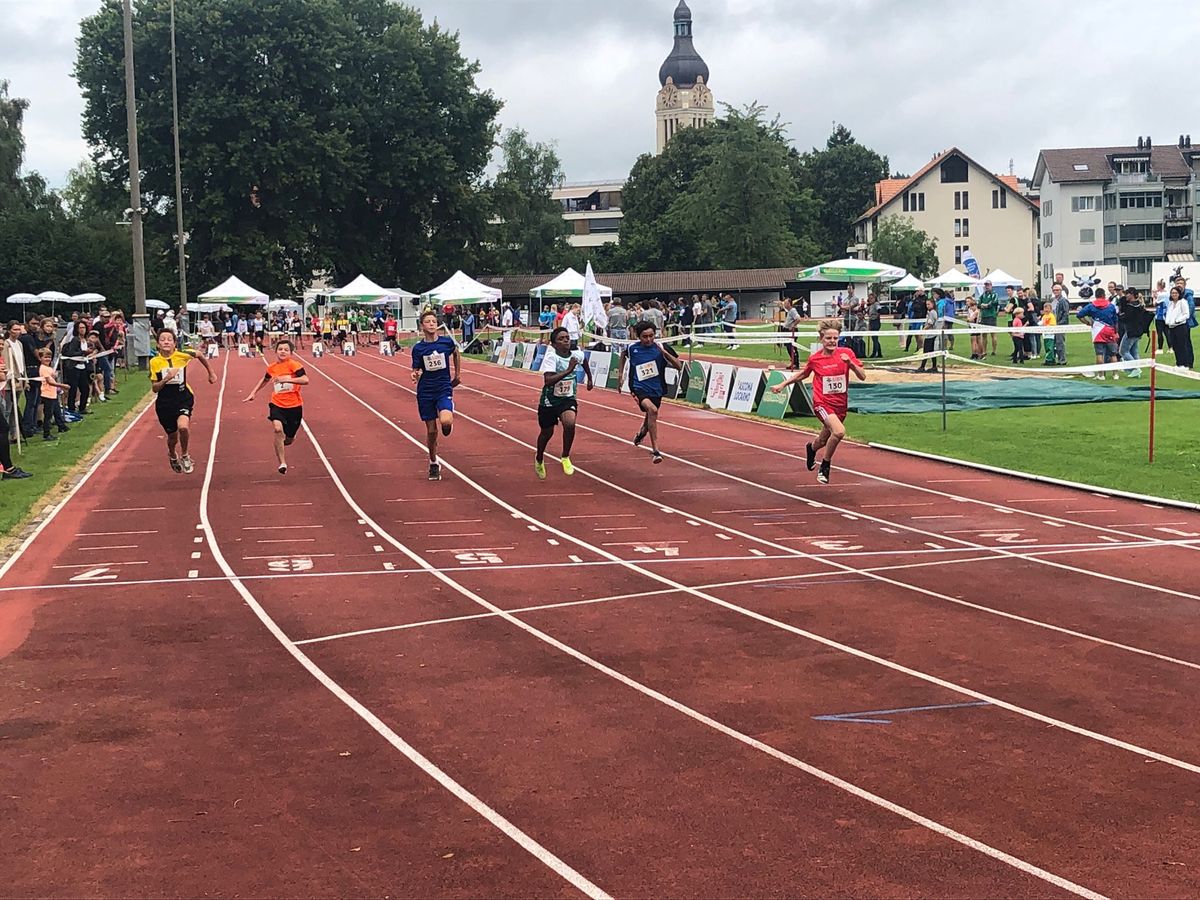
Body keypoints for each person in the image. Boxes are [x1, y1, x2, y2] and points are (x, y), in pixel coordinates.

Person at [770, 319, 866, 484]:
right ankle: (825, 466)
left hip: (840, 405)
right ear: (821, 338)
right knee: (839, 432)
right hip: (822, 403)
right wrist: (783, 384)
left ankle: (811, 449)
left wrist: (850, 364)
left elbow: (862, 376)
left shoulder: (847, 353)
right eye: (828, 338)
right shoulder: (815, 359)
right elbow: (803, 375)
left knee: (822, 440)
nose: (832, 342)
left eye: (835, 338)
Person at [149, 328, 217, 474]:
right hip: (165, 403)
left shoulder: (183, 355)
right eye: (162, 339)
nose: (166, 342)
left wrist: (211, 373)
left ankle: (185, 455)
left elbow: (199, 355)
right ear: (158, 344)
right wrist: (166, 379)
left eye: (169, 339)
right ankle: (172, 453)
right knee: (172, 437)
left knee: (183, 427)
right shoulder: (155, 362)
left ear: (175, 343)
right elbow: (154, 388)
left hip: (183, 398)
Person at [617, 320, 683, 464]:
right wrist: (620, 375)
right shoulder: (631, 348)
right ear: (638, 336)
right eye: (644, 337)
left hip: (657, 388)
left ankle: (642, 432)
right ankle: (656, 450)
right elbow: (622, 355)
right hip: (638, 387)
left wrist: (665, 354)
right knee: (652, 410)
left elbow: (679, 366)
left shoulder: (661, 346)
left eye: (651, 336)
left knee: (651, 415)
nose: (648, 340)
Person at [534, 326, 593, 479]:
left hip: (567, 398)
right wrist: (568, 370)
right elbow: (547, 381)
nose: (566, 340)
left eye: (567, 337)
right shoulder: (551, 357)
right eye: (561, 338)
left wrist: (590, 378)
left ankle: (565, 456)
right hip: (549, 401)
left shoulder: (576, 354)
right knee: (547, 433)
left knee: (570, 423)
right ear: (554, 344)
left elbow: (584, 360)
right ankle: (539, 457)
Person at [243, 338, 309, 474]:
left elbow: (305, 380)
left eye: (286, 350)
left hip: (294, 406)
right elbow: (265, 379)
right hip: (277, 404)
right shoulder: (272, 367)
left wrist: (287, 379)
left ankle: (284, 442)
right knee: (278, 429)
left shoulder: (294, 365)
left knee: (289, 439)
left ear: (291, 352)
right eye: (280, 349)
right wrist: (253, 392)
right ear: (275, 351)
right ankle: (282, 463)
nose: (283, 352)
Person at [410, 310, 461, 481]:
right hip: (425, 391)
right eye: (428, 322)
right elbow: (416, 369)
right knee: (432, 431)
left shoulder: (446, 343)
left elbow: (456, 353)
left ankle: (447, 419)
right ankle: (433, 463)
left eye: (433, 321)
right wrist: (415, 375)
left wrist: (457, 375)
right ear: (422, 326)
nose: (431, 324)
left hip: (443, 388)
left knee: (446, 421)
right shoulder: (418, 348)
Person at [1075, 288, 1120, 379]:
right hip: (1109, 330)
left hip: (1098, 331)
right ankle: (1115, 374)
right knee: (1113, 354)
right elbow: (1115, 320)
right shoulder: (1111, 306)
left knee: (1099, 354)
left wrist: (1087, 322)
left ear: (1095, 295)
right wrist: (1116, 332)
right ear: (1104, 295)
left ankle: (1101, 375)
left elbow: (1079, 315)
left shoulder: (1091, 306)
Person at [35, 348, 68, 440]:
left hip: (53, 393)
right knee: (48, 415)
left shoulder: (49, 368)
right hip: (47, 394)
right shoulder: (43, 368)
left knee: (57, 411)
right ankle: (46, 433)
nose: (48, 359)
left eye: (49, 357)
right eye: (45, 357)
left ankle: (61, 426)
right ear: (41, 358)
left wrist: (55, 377)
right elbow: (49, 382)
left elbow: (53, 377)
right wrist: (63, 385)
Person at [1164, 286, 1194, 369]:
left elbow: (1186, 314)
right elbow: (1168, 313)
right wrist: (1167, 321)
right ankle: (1178, 363)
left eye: (1176, 293)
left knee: (1182, 345)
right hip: (1171, 326)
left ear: (1179, 294)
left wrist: (1178, 320)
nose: (1174, 294)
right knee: (1175, 346)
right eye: (1172, 293)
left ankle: (1185, 364)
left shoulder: (1183, 302)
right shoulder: (1170, 303)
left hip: (1180, 326)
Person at [978, 281, 1000, 357]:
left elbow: (994, 303)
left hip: (991, 316)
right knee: (984, 334)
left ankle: (994, 350)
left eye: (988, 285)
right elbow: (978, 304)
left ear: (991, 285)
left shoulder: (994, 294)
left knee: (993, 334)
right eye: (986, 285)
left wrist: (986, 305)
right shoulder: (983, 295)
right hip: (984, 316)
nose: (987, 287)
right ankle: (984, 350)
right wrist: (982, 305)